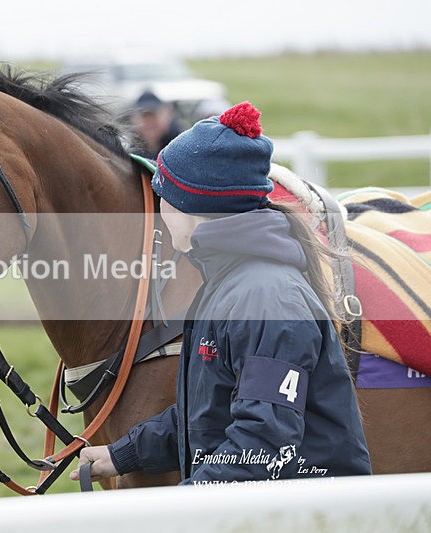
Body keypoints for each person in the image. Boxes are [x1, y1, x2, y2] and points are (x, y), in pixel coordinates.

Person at [72, 102, 371, 485]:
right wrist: (122, 454)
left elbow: (261, 445)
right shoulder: (228, 281)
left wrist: (181, 509)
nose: (159, 210)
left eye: (163, 196)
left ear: (194, 206)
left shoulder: (266, 300)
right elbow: (207, 412)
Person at [129, 90, 183, 160]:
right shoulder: (130, 155)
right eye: (144, 116)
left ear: (168, 115)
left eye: (154, 115)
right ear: (134, 119)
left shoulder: (181, 147)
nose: (150, 122)